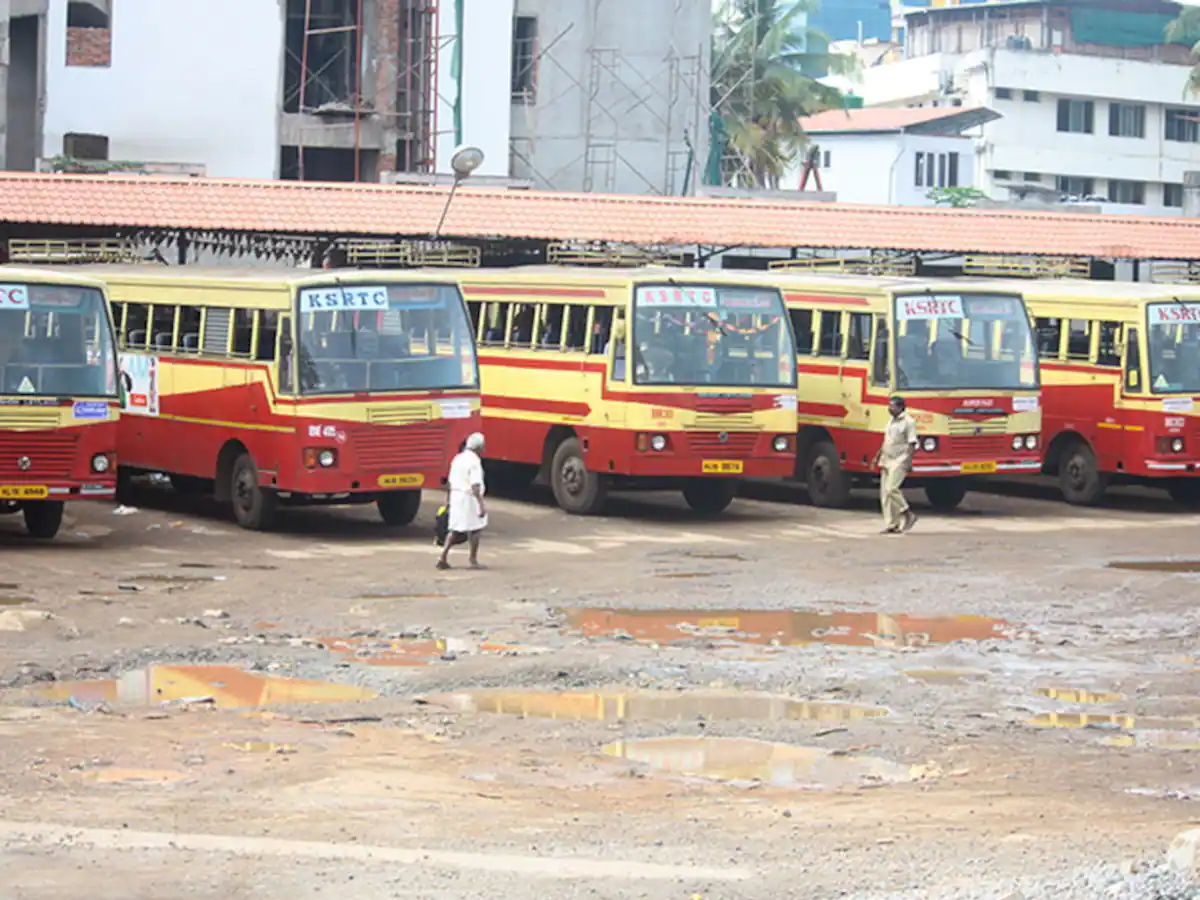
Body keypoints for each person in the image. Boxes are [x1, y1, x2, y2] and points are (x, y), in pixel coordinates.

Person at [437, 432, 488, 569]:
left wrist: (448, 501)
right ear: (478, 448)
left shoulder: (458, 458)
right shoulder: (474, 462)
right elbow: (475, 486)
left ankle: (443, 556)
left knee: (455, 529)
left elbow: (450, 482)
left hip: (456, 496)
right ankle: (473, 559)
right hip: (469, 498)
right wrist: (481, 505)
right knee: (476, 529)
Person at [872, 396, 919, 535]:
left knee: (892, 488)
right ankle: (892, 524)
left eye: (892, 406)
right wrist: (877, 456)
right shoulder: (891, 421)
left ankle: (907, 513)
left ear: (900, 407)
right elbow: (887, 441)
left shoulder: (909, 422)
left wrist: (908, 461)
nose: (890, 408)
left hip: (900, 459)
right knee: (885, 495)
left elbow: (912, 443)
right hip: (886, 459)